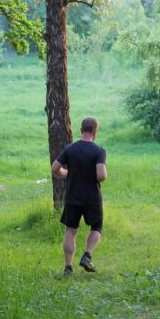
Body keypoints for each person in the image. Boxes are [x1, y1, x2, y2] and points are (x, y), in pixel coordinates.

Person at [51, 117, 107, 276]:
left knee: (71, 230)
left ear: (81, 130)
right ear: (95, 132)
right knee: (96, 227)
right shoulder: (99, 151)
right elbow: (101, 175)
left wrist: (65, 173)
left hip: (72, 197)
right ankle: (87, 256)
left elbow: (55, 169)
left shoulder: (70, 149)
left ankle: (68, 268)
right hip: (92, 197)